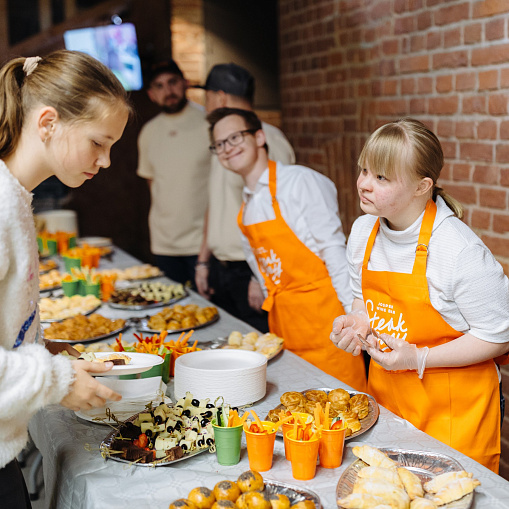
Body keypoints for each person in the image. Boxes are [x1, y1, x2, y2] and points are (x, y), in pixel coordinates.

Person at [329, 118, 509, 472]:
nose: (364, 184)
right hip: (389, 403)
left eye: (381, 177)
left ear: (421, 186)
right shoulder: (363, 231)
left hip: (455, 417)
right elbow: (362, 298)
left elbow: (499, 336)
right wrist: (358, 321)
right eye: (364, 170)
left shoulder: (457, 249)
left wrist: (418, 359)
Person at [0, 50, 129, 507]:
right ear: (48, 122)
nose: (107, 160)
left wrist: (38, 348)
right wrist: (55, 378)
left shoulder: (17, 198)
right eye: (99, 142)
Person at [207, 107, 367, 391]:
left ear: (259, 137)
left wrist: (354, 319)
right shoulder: (246, 208)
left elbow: (335, 252)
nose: (227, 148)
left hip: (326, 326)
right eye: (219, 144)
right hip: (284, 329)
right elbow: (262, 269)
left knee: (344, 411)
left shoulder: (300, 182)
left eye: (234, 138)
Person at [194, 63, 295, 331]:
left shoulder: (267, 139)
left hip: (249, 271)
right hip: (221, 266)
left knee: (263, 354)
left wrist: (258, 275)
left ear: (220, 97)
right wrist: (204, 261)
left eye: (207, 99)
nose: (206, 106)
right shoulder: (224, 141)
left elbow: (279, 212)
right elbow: (215, 204)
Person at [137, 60, 211, 287]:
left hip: (204, 244)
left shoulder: (209, 123)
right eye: (159, 86)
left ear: (185, 83)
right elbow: (153, 185)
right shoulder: (148, 132)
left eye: (172, 82)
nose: (168, 91)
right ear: (151, 94)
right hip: (164, 243)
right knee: (173, 310)